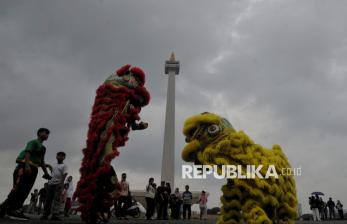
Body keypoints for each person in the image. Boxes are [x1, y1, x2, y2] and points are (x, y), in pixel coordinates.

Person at [0, 128, 51, 220]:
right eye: (45, 132)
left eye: (48, 134)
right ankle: (12, 210)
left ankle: (8, 210)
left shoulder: (43, 148)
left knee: (25, 191)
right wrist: (27, 166)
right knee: (18, 189)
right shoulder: (33, 142)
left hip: (34, 169)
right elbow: (28, 153)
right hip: (24, 168)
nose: (47, 135)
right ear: (39, 133)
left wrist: (46, 173)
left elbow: (41, 161)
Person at [41, 151, 68, 221]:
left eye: (62, 156)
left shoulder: (64, 166)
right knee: (48, 200)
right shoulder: (53, 165)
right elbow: (50, 168)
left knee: (57, 200)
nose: (60, 157)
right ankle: (45, 214)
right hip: (50, 184)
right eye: (59, 155)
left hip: (58, 184)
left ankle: (55, 215)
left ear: (64, 158)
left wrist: (61, 185)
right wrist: (45, 164)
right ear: (56, 157)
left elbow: (64, 175)